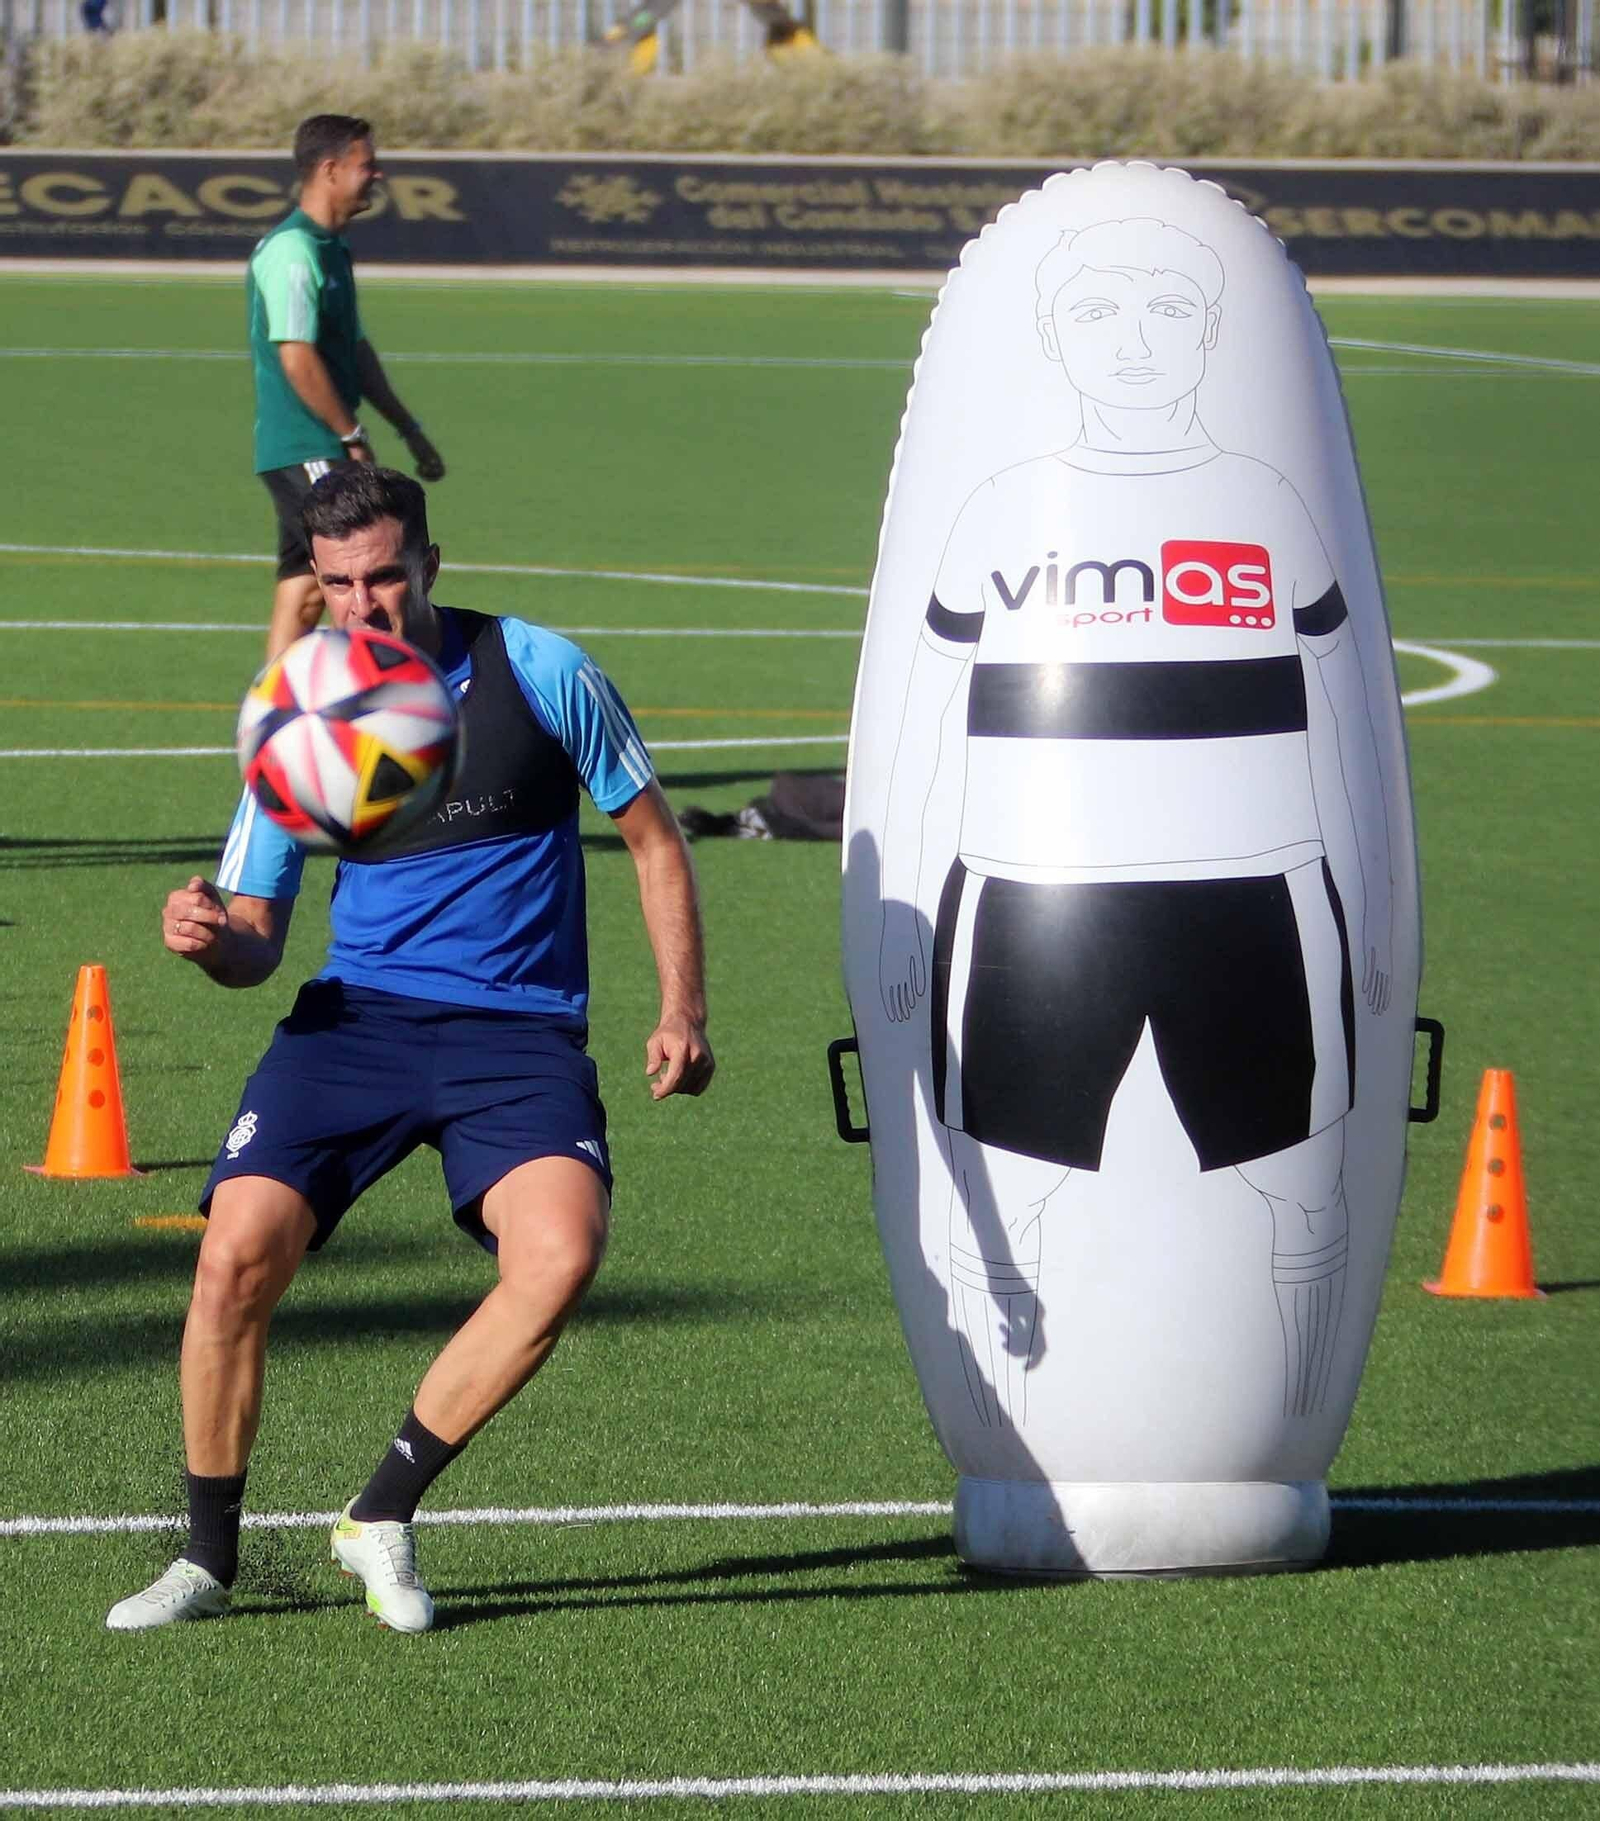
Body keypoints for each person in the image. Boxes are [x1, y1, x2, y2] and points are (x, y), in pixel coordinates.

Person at [106, 466, 713, 1636]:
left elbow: (652, 840)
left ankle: (378, 1513)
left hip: (517, 1031)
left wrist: (681, 1008)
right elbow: (256, 943)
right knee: (234, 1253)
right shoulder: (301, 713)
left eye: (384, 575)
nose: (363, 604)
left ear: (430, 562)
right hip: (359, 1021)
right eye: (337, 584)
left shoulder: (538, 669)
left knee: (561, 1252)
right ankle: (206, 1560)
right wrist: (204, 936)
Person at [878, 217, 1394, 1429]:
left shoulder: (1262, 497)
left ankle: (1283, 1431)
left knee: (1296, 1190)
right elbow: (922, 721)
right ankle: (1018, 1458)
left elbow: (1338, 710)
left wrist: (1365, 902)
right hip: (1029, 897)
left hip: (1259, 893)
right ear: (1059, 338)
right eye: (1102, 315)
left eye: (1167, 313)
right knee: (1013, 1188)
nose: (1135, 344)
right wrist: (910, 917)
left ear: (1210, 334)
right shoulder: (1003, 509)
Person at [249, 114, 446, 660]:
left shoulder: (331, 249)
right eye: (367, 165)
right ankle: (323, 708)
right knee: (335, 577)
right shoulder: (293, 251)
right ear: (330, 170)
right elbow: (296, 355)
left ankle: (272, 720)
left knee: (302, 589)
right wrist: (350, 433)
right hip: (305, 444)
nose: (377, 175)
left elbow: (354, 353)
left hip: (318, 443)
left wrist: (410, 430)